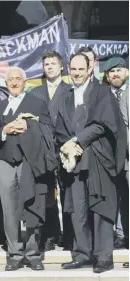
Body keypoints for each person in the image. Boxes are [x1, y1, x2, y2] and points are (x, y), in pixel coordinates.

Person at [56, 53, 126, 273]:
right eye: (73, 69)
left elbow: (103, 123)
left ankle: (103, 257)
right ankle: (81, 253)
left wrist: (78, 140)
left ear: (90, 69)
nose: (77, 73)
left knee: (100, 206)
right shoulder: (65, 96)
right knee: (77, 208)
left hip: (97, 158)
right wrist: (68, 144)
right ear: (68, 69)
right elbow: (59, 127)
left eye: (81, 69)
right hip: (74, 161)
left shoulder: (101, 92)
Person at [0, 66, 56, 271]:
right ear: (6, 84)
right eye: (10, 80)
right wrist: (4, 131)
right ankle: (14, 253)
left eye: (18, 79)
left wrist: (30, 126)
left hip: (30, 163)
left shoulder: (37, 103)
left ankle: (33, 253)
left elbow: (49, 131)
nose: (14, 82)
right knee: (9, 210)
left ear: (25, 82)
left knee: (32, 205)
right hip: (5, 162)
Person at [30, 51, 73, 251]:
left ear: (61, 66)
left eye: (53, 63)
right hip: (43, 150)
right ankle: (49, 235)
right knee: (46, 194)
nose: (49, 67)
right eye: (46, 64)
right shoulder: (36, 93)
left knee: (68, 193)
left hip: (65, 148)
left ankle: (70, 236)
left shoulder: (70, 89)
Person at [103, 57, 129, 268]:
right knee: (115, 196)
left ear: (127, 72)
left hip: (128, 155)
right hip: (109, 158)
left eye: (119, 70)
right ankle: (119, 234)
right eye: (111, 71)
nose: (115, 74)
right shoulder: (103, 94)